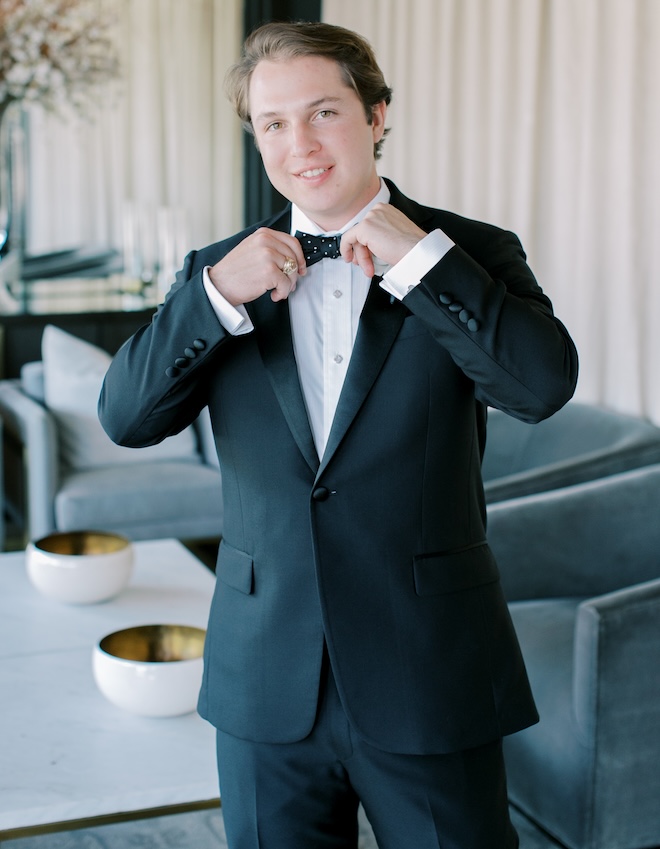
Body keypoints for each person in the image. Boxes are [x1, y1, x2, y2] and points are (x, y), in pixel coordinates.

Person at [99, 20, 578, 849]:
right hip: (264, 683)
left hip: (429, 674)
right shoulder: (215, 271)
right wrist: (215, 297)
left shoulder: (472, 252)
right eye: (273, 124)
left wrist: (422, 261)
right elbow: (126, 417)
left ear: (378, 114)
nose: (300, 144)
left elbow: (541, 387)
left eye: (323, 112)